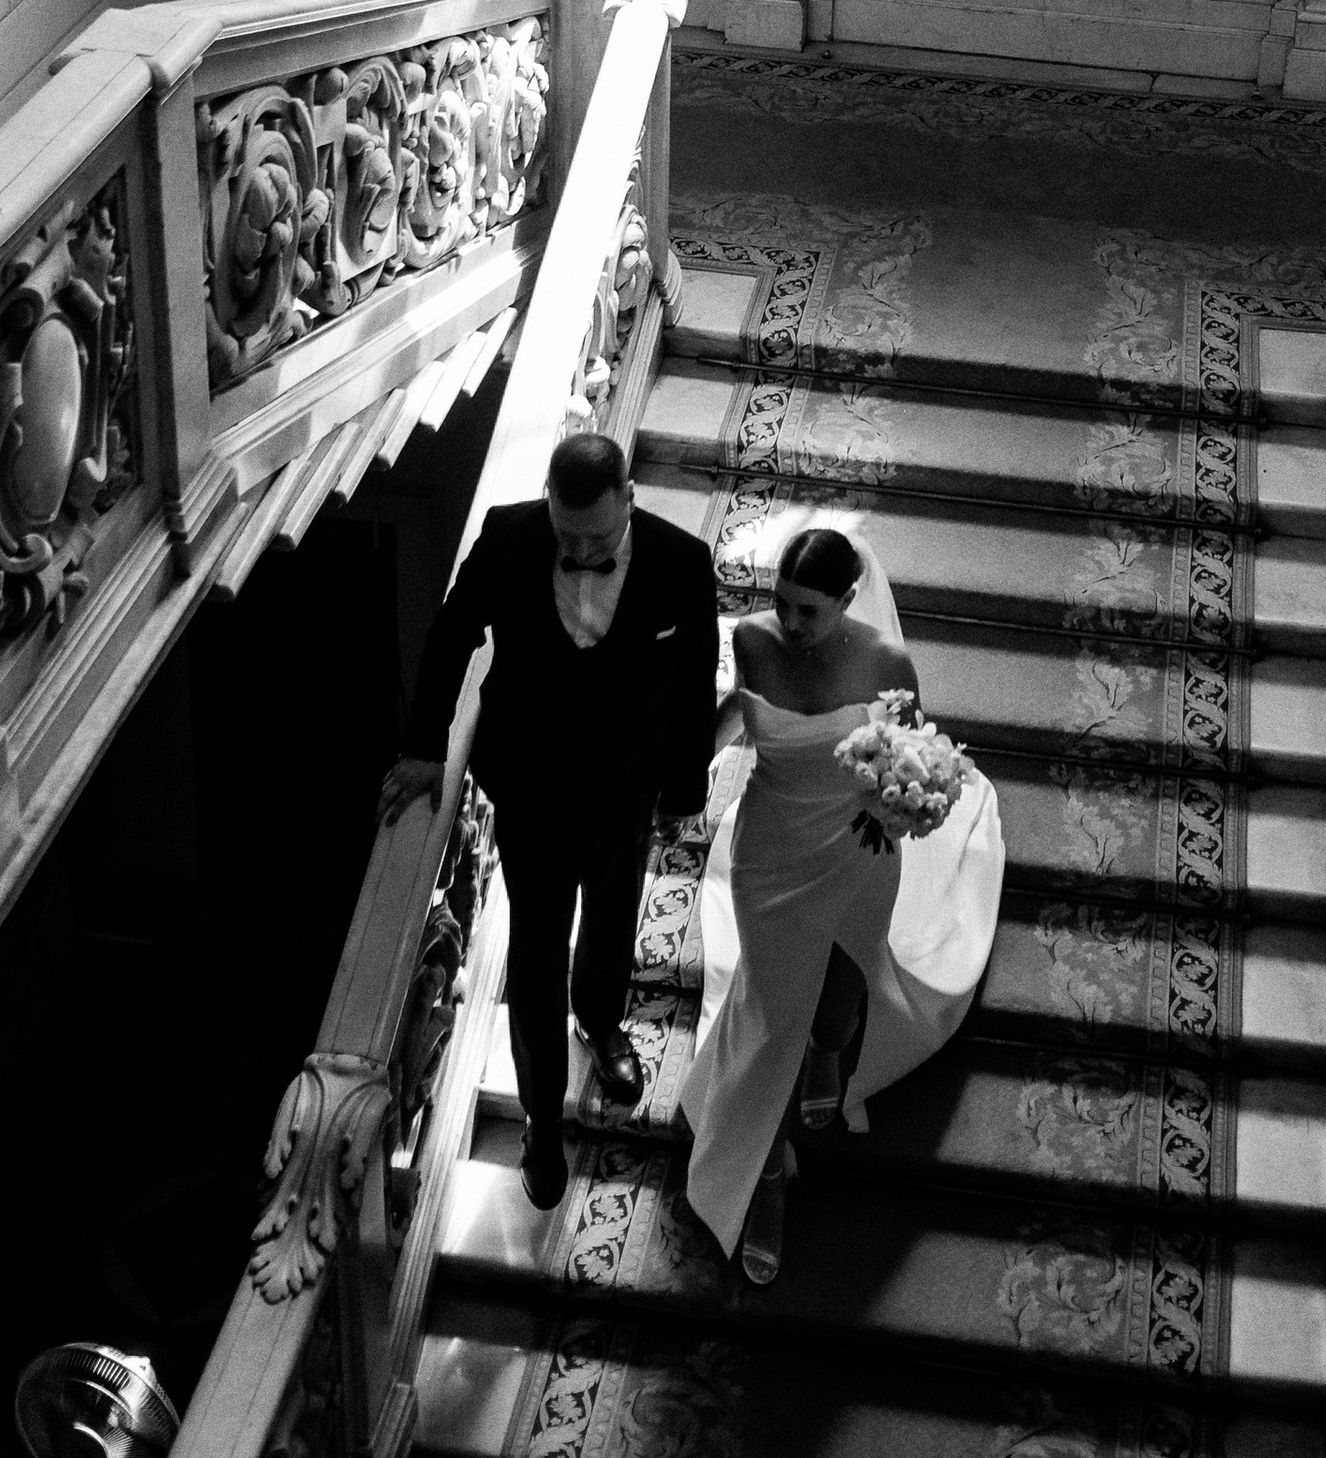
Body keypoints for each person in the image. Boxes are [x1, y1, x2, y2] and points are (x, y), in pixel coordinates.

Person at [386, 431, 717, 1212]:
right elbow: (450, 631)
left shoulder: (680, 559)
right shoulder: (507, 535)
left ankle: (602, 1025)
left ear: (628, 501)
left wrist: (685, 785)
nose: (579, 546)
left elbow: (696, 672)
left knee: (610, 919)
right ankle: (540, 1119)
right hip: (530, 788)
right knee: (535, 952)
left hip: (624, 794)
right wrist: (425, 747)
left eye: (597, 537)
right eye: (567, 536)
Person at [680, 518, 1004, 1285]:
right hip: (772, 853)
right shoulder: (753, 640)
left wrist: (902, 806)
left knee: (841, 993)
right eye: (782, 602)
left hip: (859, 846)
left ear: (849, 599)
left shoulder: (887, 660)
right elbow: (743, 711)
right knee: (767, 1011)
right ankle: (760, 1181)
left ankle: (831, 1050)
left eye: (809, 610)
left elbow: (913, 747)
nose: (790, 623)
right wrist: (688, 758)